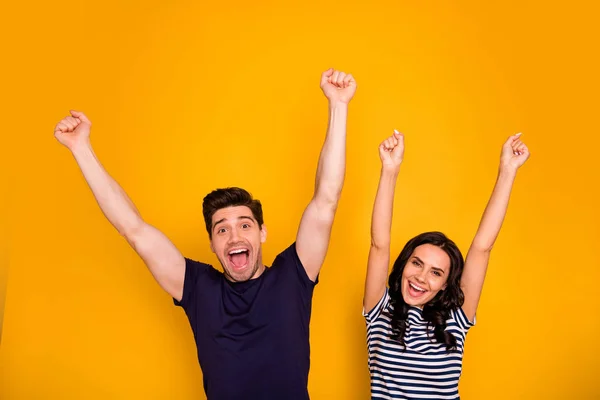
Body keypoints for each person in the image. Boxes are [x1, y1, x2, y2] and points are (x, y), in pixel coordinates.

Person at [54, 68, 357, 400]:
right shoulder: (199, 288)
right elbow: (134, 229)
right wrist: (81, 147)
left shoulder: (294, 276)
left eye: (245, 225)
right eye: (222, 229)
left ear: (262, 233)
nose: (235, 237)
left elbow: (326, 199)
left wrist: (338, 105)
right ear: (212, 243)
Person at [363, 130, 530, 399]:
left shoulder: (456, 320)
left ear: (444, 286)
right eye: (416, 263)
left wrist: (507, 171)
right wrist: (390, 170)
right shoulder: (380, 310)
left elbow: (482, 247)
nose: (420, 277)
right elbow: (379, 244)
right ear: (404, 265)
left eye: (436, 273)